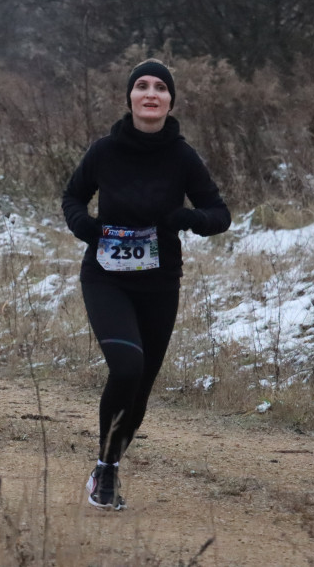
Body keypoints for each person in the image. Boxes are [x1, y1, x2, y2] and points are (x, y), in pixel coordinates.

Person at [62, 59, 230, 510]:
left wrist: (189, 219)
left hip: (159, 283)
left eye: (160, 87)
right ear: (130, 98)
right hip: (106, 277)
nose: (150, 93)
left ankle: (107, 466)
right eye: (142, 86)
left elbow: (219, 213)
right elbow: (73, 196)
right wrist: (85, 225)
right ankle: (107, 472)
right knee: (126, 368)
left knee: (140, 387)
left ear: (170, 100)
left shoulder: (182, 156)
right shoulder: (104, 151)